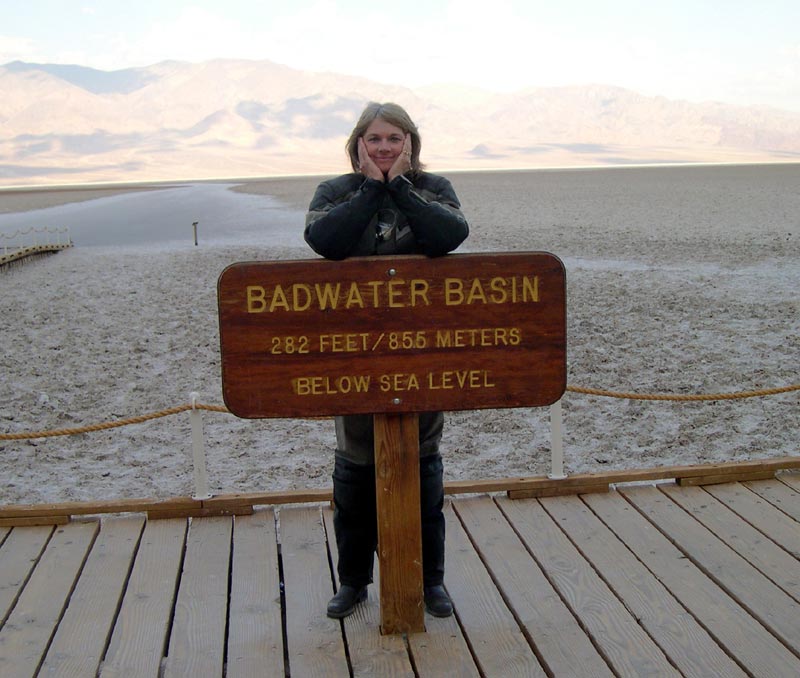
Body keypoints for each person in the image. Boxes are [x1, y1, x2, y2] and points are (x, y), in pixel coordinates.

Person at [305, 101, 469, 619]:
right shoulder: (334, 191)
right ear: (357, 144)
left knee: (425, 471)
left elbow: (449, 236)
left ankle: (431, 582)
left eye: (393, 139)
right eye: (373, 139)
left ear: (411, 144)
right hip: (354, 355)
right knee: (354, 474)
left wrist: (399, 186)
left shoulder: (435, 187)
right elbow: (323, 241)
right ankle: (353, 582)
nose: (383, 148)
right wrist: (371, 188)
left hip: (421, 352)